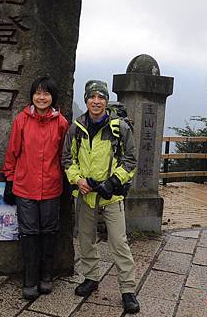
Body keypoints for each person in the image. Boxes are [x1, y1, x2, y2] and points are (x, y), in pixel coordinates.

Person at [62, 80, 141, 314]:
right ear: (86, 100)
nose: (96, 101)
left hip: (111, 196)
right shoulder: (76, 128)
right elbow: (68, 159)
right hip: (86, 194)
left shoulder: (119, 128)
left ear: (106, 101)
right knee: (86, 239)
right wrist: (78, 180)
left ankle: (128, 290)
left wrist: (114, 181)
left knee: (119, 242)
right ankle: (91, 277)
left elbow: (131, 160)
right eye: (92, 97)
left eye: (101, 97)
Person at [2, 77, 69, 300]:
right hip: (25, 187)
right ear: (32, 95)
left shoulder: (61, 123)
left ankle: (46, 276)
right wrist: (9, 179)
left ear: (53, 97)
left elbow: (64, 155)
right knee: (29, 234)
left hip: (51, 186)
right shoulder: (22, 120)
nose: (42, 98)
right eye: (38, 93)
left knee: (48, 233)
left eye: (46, 93)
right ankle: (29, 279)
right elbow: (12, 152)